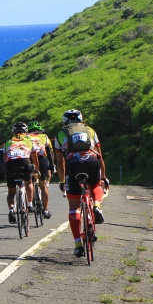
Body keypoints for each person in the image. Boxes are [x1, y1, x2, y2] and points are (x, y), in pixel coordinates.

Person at [54, 109, 109, 258]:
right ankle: (96, 206)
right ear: (81, 119)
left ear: (65, 121)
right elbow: (100, 156)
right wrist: (103, 177)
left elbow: (60, 162)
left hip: (73, 163)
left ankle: (78, 245)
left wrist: (62, 180)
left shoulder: (60, 134)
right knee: (95, 186)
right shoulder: (90, 130)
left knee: (74, 207)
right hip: (91, 161)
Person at [4, 122, 40, 224]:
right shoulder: (29, 141)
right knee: (28, 182)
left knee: (11, 191)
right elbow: (35, 159)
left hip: (11, 164)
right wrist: (37, 170)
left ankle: (11, 210)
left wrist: (6, 170)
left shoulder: (8, 142)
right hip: (25, 162)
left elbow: (5, 159)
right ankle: (29, 204)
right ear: (26, 132)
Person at [27, 120, 54, 219]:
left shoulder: (26, 137)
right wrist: (51, 166)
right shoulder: (45, 137)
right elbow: (50, 153)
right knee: (43, 187)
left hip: (29, 159)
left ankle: (30, 200)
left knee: (28, 182)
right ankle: (46, 210)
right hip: (42, 159)